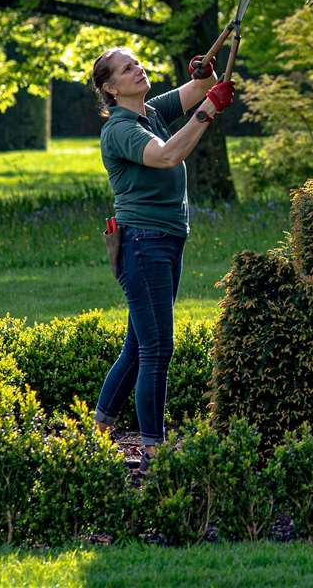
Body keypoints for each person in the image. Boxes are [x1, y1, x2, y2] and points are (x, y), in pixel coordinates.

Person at [88, 45, 233, 458]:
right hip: (142, 243)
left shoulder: (150, 113)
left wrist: (203, 71)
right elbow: (168, 155)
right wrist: (206, 113)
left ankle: (97, 431)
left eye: (137, 63)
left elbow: (201, 86)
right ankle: (154, 452)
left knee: (138, 346)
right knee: (156, 349)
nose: (138, 69)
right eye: (127, 68)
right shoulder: (120, 129)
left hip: (164, 240)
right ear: (111, 88)